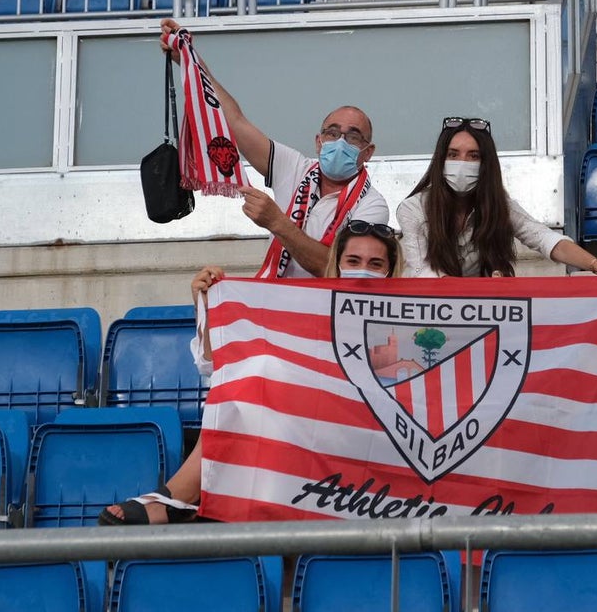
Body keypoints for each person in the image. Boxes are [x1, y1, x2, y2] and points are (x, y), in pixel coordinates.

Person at [98, 220, 403, 526]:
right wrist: (206, 305)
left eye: (375, 264)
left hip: (370, 437)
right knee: (255, 373)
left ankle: (181, 497)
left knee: (265, 390)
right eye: (353, 261)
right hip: (305, 432)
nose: (363, 270)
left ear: (392, 272)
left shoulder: (405, 323)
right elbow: (221, 366)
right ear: (337, 265)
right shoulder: (310, 311)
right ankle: (191, 497)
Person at [159, 18, 389, 279]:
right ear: (318, 141)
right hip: (278, 306)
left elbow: (339, 270)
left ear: (368, 152)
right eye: (332, 133)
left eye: (353, 137)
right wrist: (191, 62)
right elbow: (234, 121)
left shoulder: (372, 205)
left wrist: (277, 223)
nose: (339, 142)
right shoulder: (294, 167)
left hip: (328, 312)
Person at [397, 116, 597, 278]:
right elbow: (423, 273)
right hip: (427, 311)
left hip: (476, 310)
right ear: (440, 160)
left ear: (486, 164)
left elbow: (544, 238)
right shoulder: (412, 208)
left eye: (473, 156)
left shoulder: (499, 205)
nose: (462, 163)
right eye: (453, 154)